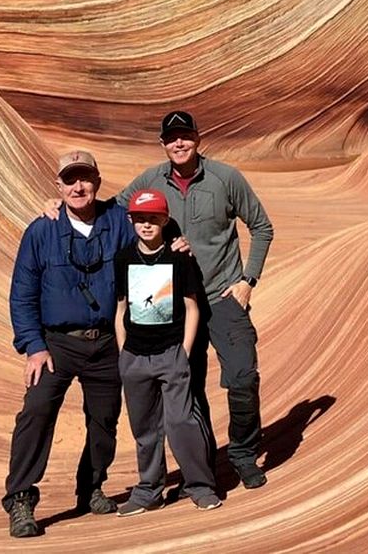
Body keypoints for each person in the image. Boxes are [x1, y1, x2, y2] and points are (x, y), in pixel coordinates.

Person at [117, 111, 274, 490]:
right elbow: (114, 212)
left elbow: (261, 226)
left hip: (223, 295)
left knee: (241, 376)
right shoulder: (152, 180)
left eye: (185, 136)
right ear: (163, 144)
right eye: (171, 138)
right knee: (189, 383)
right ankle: (204, 464)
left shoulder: (225, 178)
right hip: (172, 301)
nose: (179, 144)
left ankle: (242, 452)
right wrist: (60, 210)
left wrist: (248, 280)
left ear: (198, 138)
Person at [1, 150, 135, 538]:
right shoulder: (41, 231)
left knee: (105, 418)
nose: (79, 187)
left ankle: (90, 487)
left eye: (86, 178)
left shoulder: (118, 223)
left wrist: (177, 244)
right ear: (57, 186)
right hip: (55, 345)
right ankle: (21, 499)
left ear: (98, 180)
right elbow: (22, 294)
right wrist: (33, 346)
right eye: (70, 180)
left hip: (107, 342)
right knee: (36, 412)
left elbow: (152, 229)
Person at [112, 189, 220, 514]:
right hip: (134, 356)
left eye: (153, 218)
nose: (147, 224)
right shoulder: (123, 258)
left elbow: (192, 307)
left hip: (171, 352)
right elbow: (120, 308)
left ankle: (200, 486)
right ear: (131, 220)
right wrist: (123, 352)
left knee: (181, 422)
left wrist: (184, 352)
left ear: (164, 220)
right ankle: (148, 491)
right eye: (140, 218)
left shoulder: (179, 257)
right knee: (144, 428)